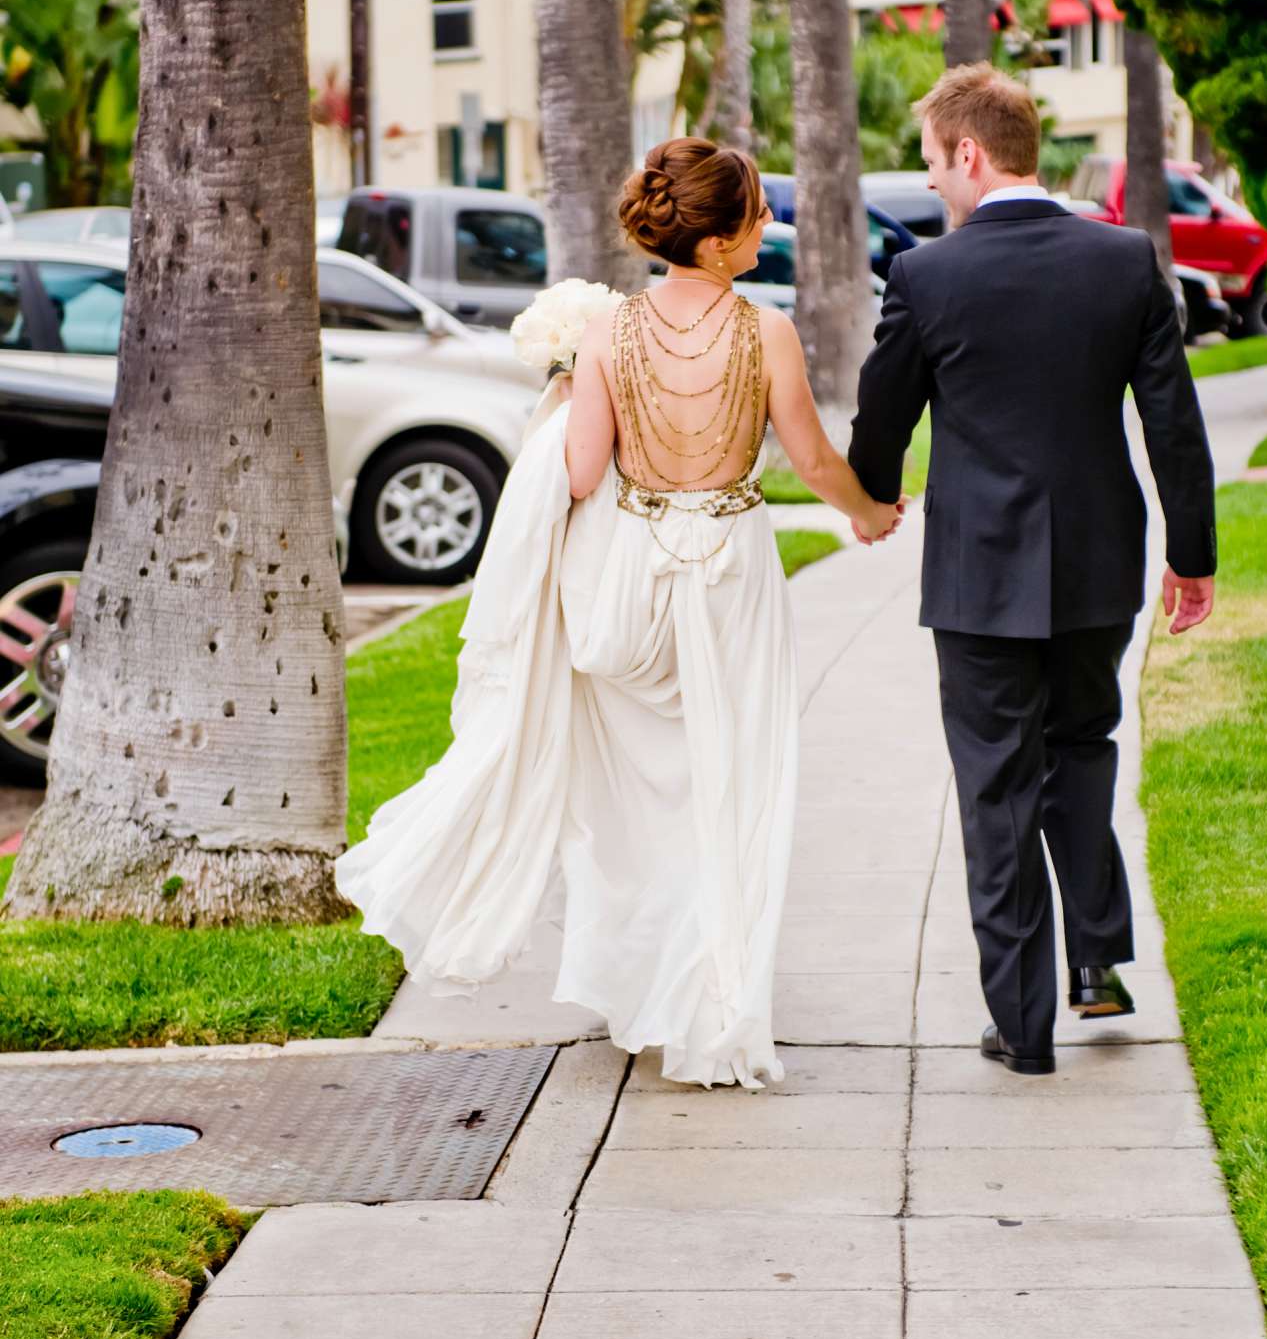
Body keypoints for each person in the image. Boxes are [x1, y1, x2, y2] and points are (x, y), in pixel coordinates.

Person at [337, 138, 902, 1090]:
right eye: (757, 214)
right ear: (719, 242)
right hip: (729, 575)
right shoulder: (765, 334)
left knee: (636, 800)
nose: (769, 225)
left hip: (630, 577)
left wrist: (563, 398)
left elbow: (584, 471)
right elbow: (809, 460)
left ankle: (646, 993)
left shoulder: (608, 334)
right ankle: (712, 998)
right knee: (735, 783)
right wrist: (868, 512)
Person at [847, 64, 1216, 1076]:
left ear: (969, 153)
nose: (934, 187)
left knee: (996, 790)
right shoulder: (1124, 262)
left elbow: (884, 417)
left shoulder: (926, 276)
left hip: (978, 576)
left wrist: (872, 496)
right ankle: (1094, 961)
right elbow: (1172, 422)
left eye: (932, 164)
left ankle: (1022, 1023)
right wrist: (1194, 554)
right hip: (1100, 562)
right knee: (1083, 749)